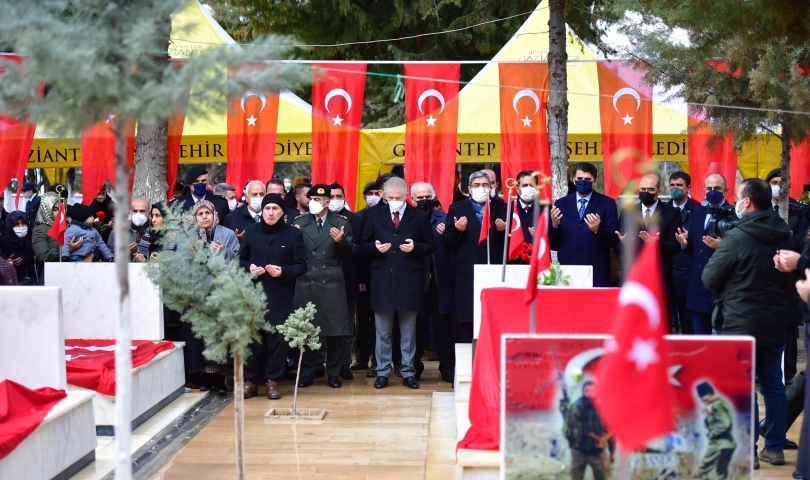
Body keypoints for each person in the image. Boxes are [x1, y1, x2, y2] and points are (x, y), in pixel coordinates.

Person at [702, 178, 794, 467]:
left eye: (738, 196)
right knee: (773, 385)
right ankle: (775, 448)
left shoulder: (738, 236)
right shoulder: (785, 233)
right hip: (776, 320)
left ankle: (747, 452)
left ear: (748, 202)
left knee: (742, 386)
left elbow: (709, 278)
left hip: (740, 323)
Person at [360, 176, 435, 390]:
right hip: (382, 279)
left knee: (409, 331)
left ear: (406, 197)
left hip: (409, 281)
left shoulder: (418, 216)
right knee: (382, 331)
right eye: (390, 197)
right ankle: (382, 372)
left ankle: (408, 371)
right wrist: (374, 248)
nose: (394, 200)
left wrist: (416, 248)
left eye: (398, 198)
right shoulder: (373, 216)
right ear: (383, 195)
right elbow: (362, 246)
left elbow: (430, 246)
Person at [240, 194, 307, 400]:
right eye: (267, 208)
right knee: (252, 338)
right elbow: (240, 260)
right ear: (262, 211)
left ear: (282, 212)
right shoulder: (251, 232)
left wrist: (283, 273)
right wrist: (248, 268)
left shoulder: (293, 235)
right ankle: (250, 381)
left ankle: (272, 381)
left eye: (275, 209)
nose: (270, 212)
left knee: (278, 340)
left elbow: (302, 265)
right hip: (253, 294)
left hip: (280, 294)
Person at [292, 184, 355, 388]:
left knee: (335, 330)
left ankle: (334, 373)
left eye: (318, 200)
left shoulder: (341, 222)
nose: (313, 203)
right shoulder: (299, 222)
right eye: (311, 199)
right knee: (308, 328)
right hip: (307, 278)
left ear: (327, 202)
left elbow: (352, 252)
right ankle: (308, 372)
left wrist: (340, 242)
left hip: (332, 279)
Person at [180, 200, 240, 393]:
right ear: (195, 217)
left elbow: (238, 261)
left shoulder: (227, 234)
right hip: (196, 295)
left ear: (215, 215)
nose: (204, 216)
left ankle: (220, 380)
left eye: (208, 213)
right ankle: (202, 378)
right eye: (200, 213)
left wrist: (224, 252)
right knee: (199, 339)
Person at [443, 171, 506, 342]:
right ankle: (467, 365)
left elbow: (513, 244)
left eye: (485, 185)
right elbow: (447, 243)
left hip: (495, 274)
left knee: (495, 321)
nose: (480, 188)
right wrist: (457, 231)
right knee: (468, 322)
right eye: (476, 185)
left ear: (492, 187)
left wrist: (502, 233)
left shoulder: (504, 208)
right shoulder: (456, 208)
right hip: (467, 275)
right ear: (469, 189)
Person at [616, 174, 682, 314]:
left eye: (650, 190)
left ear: (659, 191)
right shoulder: (627, 212)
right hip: (633, 277)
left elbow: (675, 247)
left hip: (659, 278)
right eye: (643, 189)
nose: (645, 193)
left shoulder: (672, 213)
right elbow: (618, 247)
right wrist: (623, 243)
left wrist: (656, 243)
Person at [674, 174, 729, 334]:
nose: (713, 191)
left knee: (723, 340)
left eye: (717, 188)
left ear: (726, 190)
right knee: (700, 338)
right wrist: (686, 244)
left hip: (721, 286)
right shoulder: (698, 213)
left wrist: (721, 246)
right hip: (698, 286)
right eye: (709, 188)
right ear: (704, 190)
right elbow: (695, 247)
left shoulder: (733, 214)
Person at [412, 181, 455, 384]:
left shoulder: (444, 219)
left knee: (444, 329)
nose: (424, 200)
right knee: (416, 329)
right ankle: (414, 369)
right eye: (419, 198)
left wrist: (448, 233)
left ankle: (447, 368)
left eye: (427, 197)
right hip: (416, 284)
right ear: (412, 199)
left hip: (440, 283)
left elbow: (453, 247)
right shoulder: (408, 220)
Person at [550, 162, 619, 287]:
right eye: (580, 179)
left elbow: (613, 239)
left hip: (596, 271)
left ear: (595, 181)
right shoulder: (561, 204)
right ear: (574, 180)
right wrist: (555, 225)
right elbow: (553, 243)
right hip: (567, 272)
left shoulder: (607, 203)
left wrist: (597, 230)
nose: (583, 182)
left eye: (587, 179)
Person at [328, 182, 364, 380]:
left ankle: (344, 365)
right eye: (331, 197)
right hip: (322, 281)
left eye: (338, 196)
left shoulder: (356, 220)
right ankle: (321, 364)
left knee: (346, 325)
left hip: (347, 279)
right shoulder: (318, 220)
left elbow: (359, 252)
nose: (335, 201)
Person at [351, 182, 382, 375]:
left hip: (382, 273)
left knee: (380, 321)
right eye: (369, 193)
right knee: (363, 320)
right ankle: (362, 357)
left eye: (376, 193)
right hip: (364, 275)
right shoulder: (359, 217)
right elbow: (359, 250)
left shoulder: (385, 213)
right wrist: (360, 278)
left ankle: (377, 360)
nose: (372, 196)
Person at [666, 171, 697, 333]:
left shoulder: (698, 210)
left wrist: (687, 243)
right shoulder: (661, 210)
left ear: (688, 188)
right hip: (666, 274)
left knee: (688, 325)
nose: (675, 188)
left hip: (688, 276)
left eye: (679, 185)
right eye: (672, 185)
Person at [564, 381, 612, 480]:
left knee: (601, 476)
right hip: (579, 451)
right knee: (576, 476)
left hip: (596, 452)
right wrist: (572, 443)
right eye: (586, 391)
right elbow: (568, 427)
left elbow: (609, 430)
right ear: (583, 392)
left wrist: (612, 450)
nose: (589, 394)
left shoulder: (603, 408)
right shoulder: (576, 407)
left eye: (592, 391)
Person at [695, 382, 736, 480]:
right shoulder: (722, 402)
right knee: (721, 471)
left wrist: (712, 435)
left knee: (702, 471)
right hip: (729, 444)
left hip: (718, 443)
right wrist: (708, 415)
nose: (702, 400)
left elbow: (724, 424)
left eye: (702, 397)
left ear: (709, 394)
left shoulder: (716, 405)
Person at [107, 198, 150, 262]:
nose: (138, 214)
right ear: (130, 212)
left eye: (142, 211)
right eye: (135, 211)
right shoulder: (117, 232)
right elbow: (110, 259)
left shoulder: (155, 230)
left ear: (148, 213)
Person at [0, 211, 37, 284]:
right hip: (14, 284)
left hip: (33, 283)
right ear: (10, 225)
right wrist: (8, 264)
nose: (21, 227)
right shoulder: (4, 244)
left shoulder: (32, 241)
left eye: (23, 223)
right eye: (17, 224)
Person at [31, 192, 63, 275]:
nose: (60, 212)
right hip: (51, 277)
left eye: (61, 208)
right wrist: (67, 250)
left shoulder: (67, 226)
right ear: (46, 210)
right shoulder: (40, 230)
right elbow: (43, 256)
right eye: (55, 209)